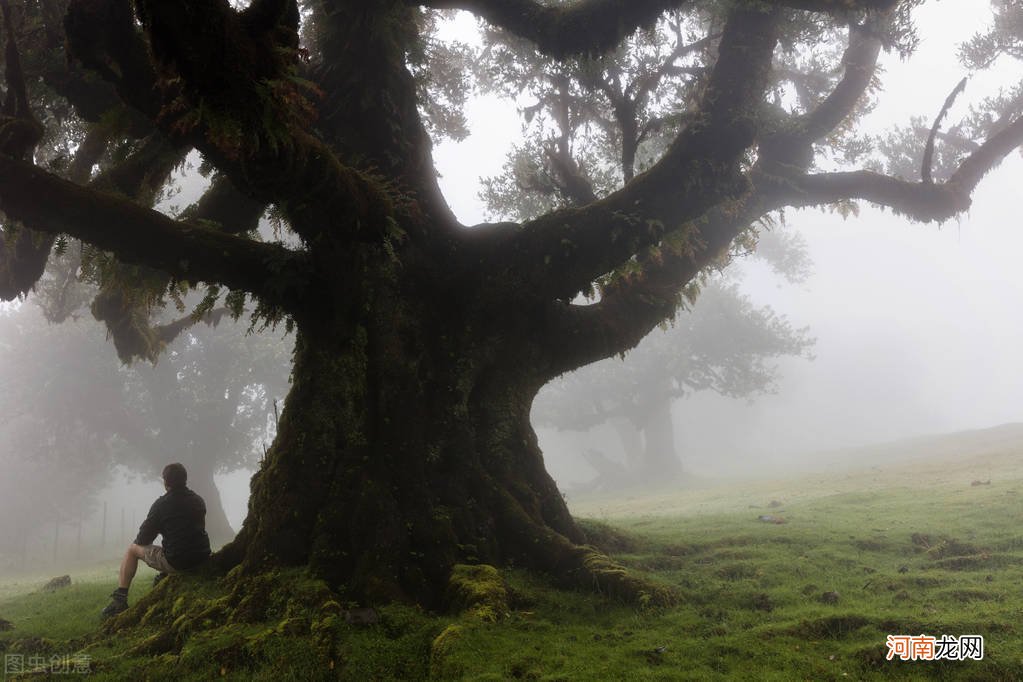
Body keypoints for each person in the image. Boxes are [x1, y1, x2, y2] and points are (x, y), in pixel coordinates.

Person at [101, 463, 212, 619]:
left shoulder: (161, 505)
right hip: (202, 557)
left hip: (178, 561)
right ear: (185, 479)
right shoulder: (198, 500)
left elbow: (142, 539)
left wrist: (161, 525)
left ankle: (120, 601)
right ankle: (163, 576)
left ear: (165, 482)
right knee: (175, 545)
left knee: (132, 549)